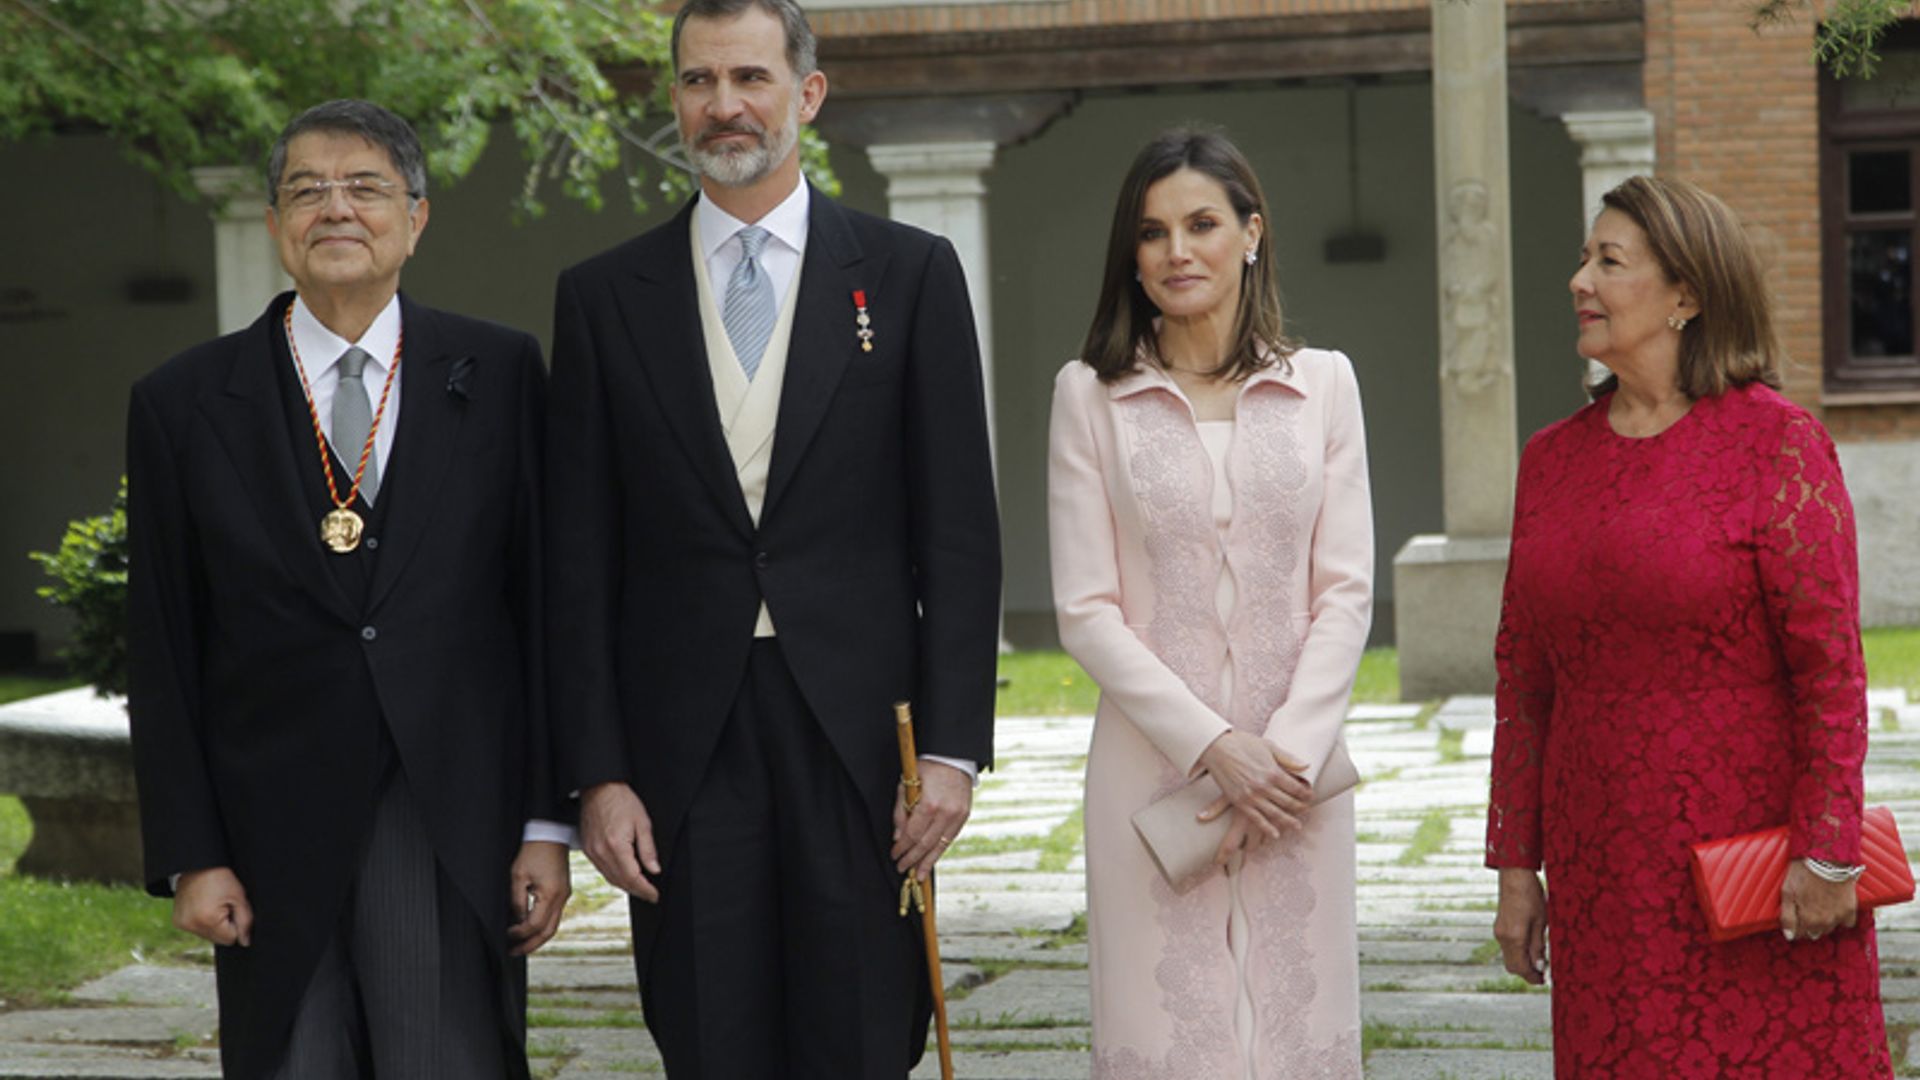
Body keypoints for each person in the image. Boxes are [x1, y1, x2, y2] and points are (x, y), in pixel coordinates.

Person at [542, 0, 1002, 1075]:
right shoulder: (604, 298)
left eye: (749, 77)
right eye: (699, 82)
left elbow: (962, 533)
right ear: (674, 102)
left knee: (859, 1024)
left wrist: (949, 751)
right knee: (710, 1029)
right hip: (680, 741)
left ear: (808, 93)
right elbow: (577, 560)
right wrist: (598, 773)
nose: (724, 105)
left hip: (858, 733)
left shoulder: (909, 272)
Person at [125, 99, 570, 1079]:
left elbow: (545, 613)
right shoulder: (183, 403)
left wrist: (546, 824)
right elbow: (161, 642)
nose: (337, 209)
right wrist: (191, 852)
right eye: (307, 191)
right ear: (278, 224)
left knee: (445, 1058)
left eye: (365, 187)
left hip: (448, 808)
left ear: (416, 218)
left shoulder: (499, 373)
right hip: (266, 817)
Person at [1486, 175, 1893, 1076]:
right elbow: (1523, 678)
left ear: (1688, 296)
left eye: (1608, 260)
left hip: (1751, 861)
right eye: (1585, 258)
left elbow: (1830, 669)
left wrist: (1828, 853)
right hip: (1601, 865)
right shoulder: (1550, 460)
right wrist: (1519, 867)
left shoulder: (1778, 445)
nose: (1578, 280)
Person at [1048, 129, 1373, 1078]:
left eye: (1201, 224)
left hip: (1295, 787)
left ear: (1252, 234)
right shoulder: (1089, 397)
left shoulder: (1325, 386)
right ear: (1132, 257)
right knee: (1162, 1035)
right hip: (1153, 776)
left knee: (1298, 1033)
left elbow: (1346, 589)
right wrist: (1213, 747)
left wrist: (1289, 756)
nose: (1177, 251)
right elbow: (1086, 609)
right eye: (1152, 234)